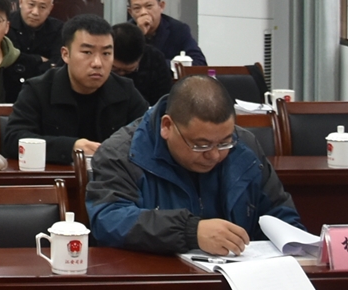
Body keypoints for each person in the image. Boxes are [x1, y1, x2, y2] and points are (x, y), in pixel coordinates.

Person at [87, 75, 301, 255]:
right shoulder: (121, 154)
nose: (214, 155)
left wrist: (300, 246)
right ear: (167, 126)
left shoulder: (244, 146)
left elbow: (279, 212)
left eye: (224, 142)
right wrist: (190, 231)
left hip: (240, 278)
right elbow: (108, 220)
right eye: (201, 145)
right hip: (156, 281)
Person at [3, 15, 146, 163]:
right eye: (87, 52)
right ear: (65, 54)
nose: (97, 63)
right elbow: (13, 140)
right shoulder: (38, 89)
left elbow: (150, 135)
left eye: (106, 54)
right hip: (55, 175)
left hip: (111, 175)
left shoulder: (124, 90)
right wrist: (71, 147)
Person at [127, 0, 206, 67]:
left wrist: (160, 64)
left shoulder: (179, 29)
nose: (143, 12)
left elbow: (200, 63)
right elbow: (123, 63)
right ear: (130, 12)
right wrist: (139, 35)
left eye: (149, 6)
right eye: (137, 8)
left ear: (161, 6)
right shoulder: (124, 33)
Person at [110, 21, 173, 107]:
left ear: (140, 57)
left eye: (128, 71)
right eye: (115, 69)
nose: (121, 74)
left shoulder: (155, 59)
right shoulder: (97, 60)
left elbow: (164, 100)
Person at [8, 0, 63, 66]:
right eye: (31, 4)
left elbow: (57, 64)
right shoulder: (6, 23)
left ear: (50, 8)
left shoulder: (58, 29)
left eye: (42, 7)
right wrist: (38, 59)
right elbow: (5, 57)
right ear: (21, 2)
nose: (35, 12)